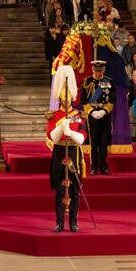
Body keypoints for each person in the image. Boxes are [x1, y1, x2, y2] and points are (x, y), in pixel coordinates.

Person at [47, 66, 87, 233]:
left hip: (73, 152)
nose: (66, 99)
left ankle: (73, 222)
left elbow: (83, 136)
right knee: (60, 189)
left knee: (75, 190)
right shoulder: (54, 114)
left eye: (68, 96)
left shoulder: (78, 114)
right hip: (59, 151)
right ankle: (59, 222)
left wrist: (70, 131)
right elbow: (51, 136)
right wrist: (60, 128)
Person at [81, 60, 116, 175]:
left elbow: (112, 99)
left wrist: (104, 111)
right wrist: (91, 111)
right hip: (92, 115)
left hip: (105, 115)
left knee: (103, 142)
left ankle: (104, 166)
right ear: (93, 70)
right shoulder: (87, 81)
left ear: (104, 70)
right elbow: (84, 100)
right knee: (94, 142)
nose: (99, 73)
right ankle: (94, 166)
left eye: (101, 71)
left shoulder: (109, 81)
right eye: (97, 71)